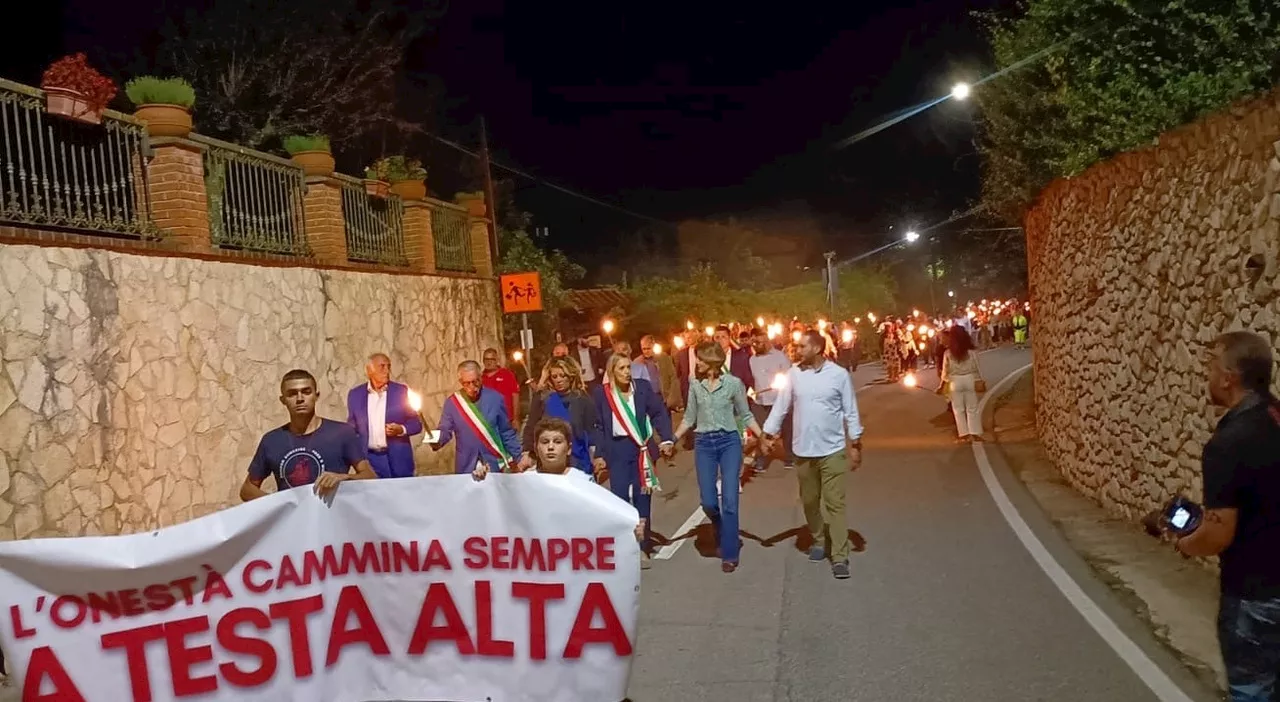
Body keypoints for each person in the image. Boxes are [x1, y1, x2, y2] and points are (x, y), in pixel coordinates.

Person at [1174, 331, 1280, 702]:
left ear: (1228, 377)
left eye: (1210, 366)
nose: (1206, 375)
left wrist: (1185, 543)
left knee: (1252, 692)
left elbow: (1219, 534)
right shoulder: (1275, 416)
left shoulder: (1228, 443)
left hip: (1256, 596)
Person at [761, 330, 863, 580]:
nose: (797, 351)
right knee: (810, 501)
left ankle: (840, 555)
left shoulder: (838, 375)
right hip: (804, 450)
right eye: (796, 346)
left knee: (835, 503)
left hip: (832, 449)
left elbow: (850, 409)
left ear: (817, 348)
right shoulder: (794, 374)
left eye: (802, 347)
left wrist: (856, 443)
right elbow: (781, 406)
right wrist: (768, 434)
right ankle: (818, 540)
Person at [472, 418, 646, 547]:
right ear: (536, 447)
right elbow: (496, 509)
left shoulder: (583, 482)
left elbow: (603, 520)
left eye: (557, 442)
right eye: (545, 442)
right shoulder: (523, 482)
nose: (550, 447)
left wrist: (630, 528)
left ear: (568, 448)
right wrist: (482, 482)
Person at [672, 342, 763, 573]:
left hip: (729, 442)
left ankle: (730, 553)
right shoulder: (695, 385)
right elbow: (689, 418)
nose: (697, 363)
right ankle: (720, 527)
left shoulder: (733, 384)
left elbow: (746, 414)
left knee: (730, 501)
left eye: (700, 359)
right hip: (704, 444)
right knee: (709, 502)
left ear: (712, 361)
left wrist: (763, 436)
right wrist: (671, 439)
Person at [241, 369, 377, 501]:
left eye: (306, 392)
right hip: (292, 521)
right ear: (283, 400)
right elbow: (247, 489)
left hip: (332, 519)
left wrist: (344, 478)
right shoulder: (272, 440)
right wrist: (279, 503)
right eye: (292, 394)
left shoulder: (342, 433)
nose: (300, 398)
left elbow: (370, 476)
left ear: (316, 396)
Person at [593, 353, 675, 568]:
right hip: (618, 450)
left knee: (643, 497)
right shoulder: (603, 394)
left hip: (642, 450)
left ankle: (642, 545)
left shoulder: (642, 388)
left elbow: (658, 413)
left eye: (628, 367)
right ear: (612, 371)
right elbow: (600, 426)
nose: (627, 373)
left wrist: (666, 438)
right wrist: (600, 454)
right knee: (619, 498)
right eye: (621, 369)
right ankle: (623, 546)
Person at [432, 361, 522, 474]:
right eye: (467, 383)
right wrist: (435, 438)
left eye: (475, 382)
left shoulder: (496, 399)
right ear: (460, 382)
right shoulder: (452, 403)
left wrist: (519, 457)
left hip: (494, 463)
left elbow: (506, 432)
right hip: (467, 465)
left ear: (481, 378)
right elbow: (445, 429)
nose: (472, 387)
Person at [522, 357, 605, 479]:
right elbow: (531, 426)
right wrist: (528, 452)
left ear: (571, 376)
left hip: (577, 460)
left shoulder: (582, 400)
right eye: (554, 377)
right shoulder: (543, 399)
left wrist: (598, 456)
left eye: (562, 375)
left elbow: (593, 431)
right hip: (548, 461)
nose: (559, 380)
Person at [345, 352, 422, 479]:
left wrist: (401, 429)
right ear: (369, 370)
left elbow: (416, 424)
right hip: (371, 460)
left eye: (388, 366)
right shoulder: (355, 395)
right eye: (382, 366)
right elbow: (352, 427)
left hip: (398, 459)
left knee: (401, 496)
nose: (387, 370)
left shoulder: (401, 391)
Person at [748, 327, 793, 473]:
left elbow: (789, 376)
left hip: (779, 400)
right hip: (760, 401)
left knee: (786, 430)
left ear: (766, 340)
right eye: (754, 343)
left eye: (759, 342)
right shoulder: (752, 360)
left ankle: (790, 456)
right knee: (761, 432)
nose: (756, 345)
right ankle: (762, 459)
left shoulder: (780, 357)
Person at [937, 326, 985, 443]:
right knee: (972, 408)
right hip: (969, 380)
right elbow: (977, 368)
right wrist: (980, 380)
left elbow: (945, 373)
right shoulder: (971, 353)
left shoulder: (948, 353)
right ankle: (975, 433)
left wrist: (941, 386)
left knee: (958, 410)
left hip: (955, 381)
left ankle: (964, 435)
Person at [481, 347, 521, 428]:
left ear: (497, 360)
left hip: (506, 421)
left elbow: (515, 396)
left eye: (492, 359)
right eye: (486, 359)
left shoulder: (507, 374)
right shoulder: (480, 378)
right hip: (488, 423)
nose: (489, 362)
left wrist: (516, 419)